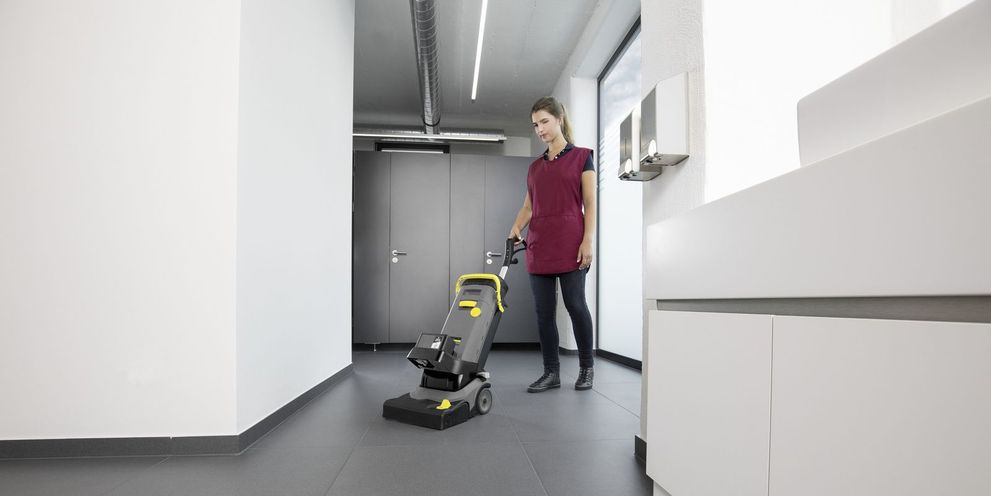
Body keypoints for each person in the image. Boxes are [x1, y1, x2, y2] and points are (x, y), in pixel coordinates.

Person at [509, 96, 596, 393]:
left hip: (572, 243)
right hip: (539, 245)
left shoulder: (583, 156)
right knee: (544, 313)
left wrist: (587, 240)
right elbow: (528, 207)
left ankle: (586, 368)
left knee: (576, 305)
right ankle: (551, 373)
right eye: (535, 125)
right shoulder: (534, 168)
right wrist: (516, 226)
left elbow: (590, 203)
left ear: (559, 118)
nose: (540, 129)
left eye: (544, 121)